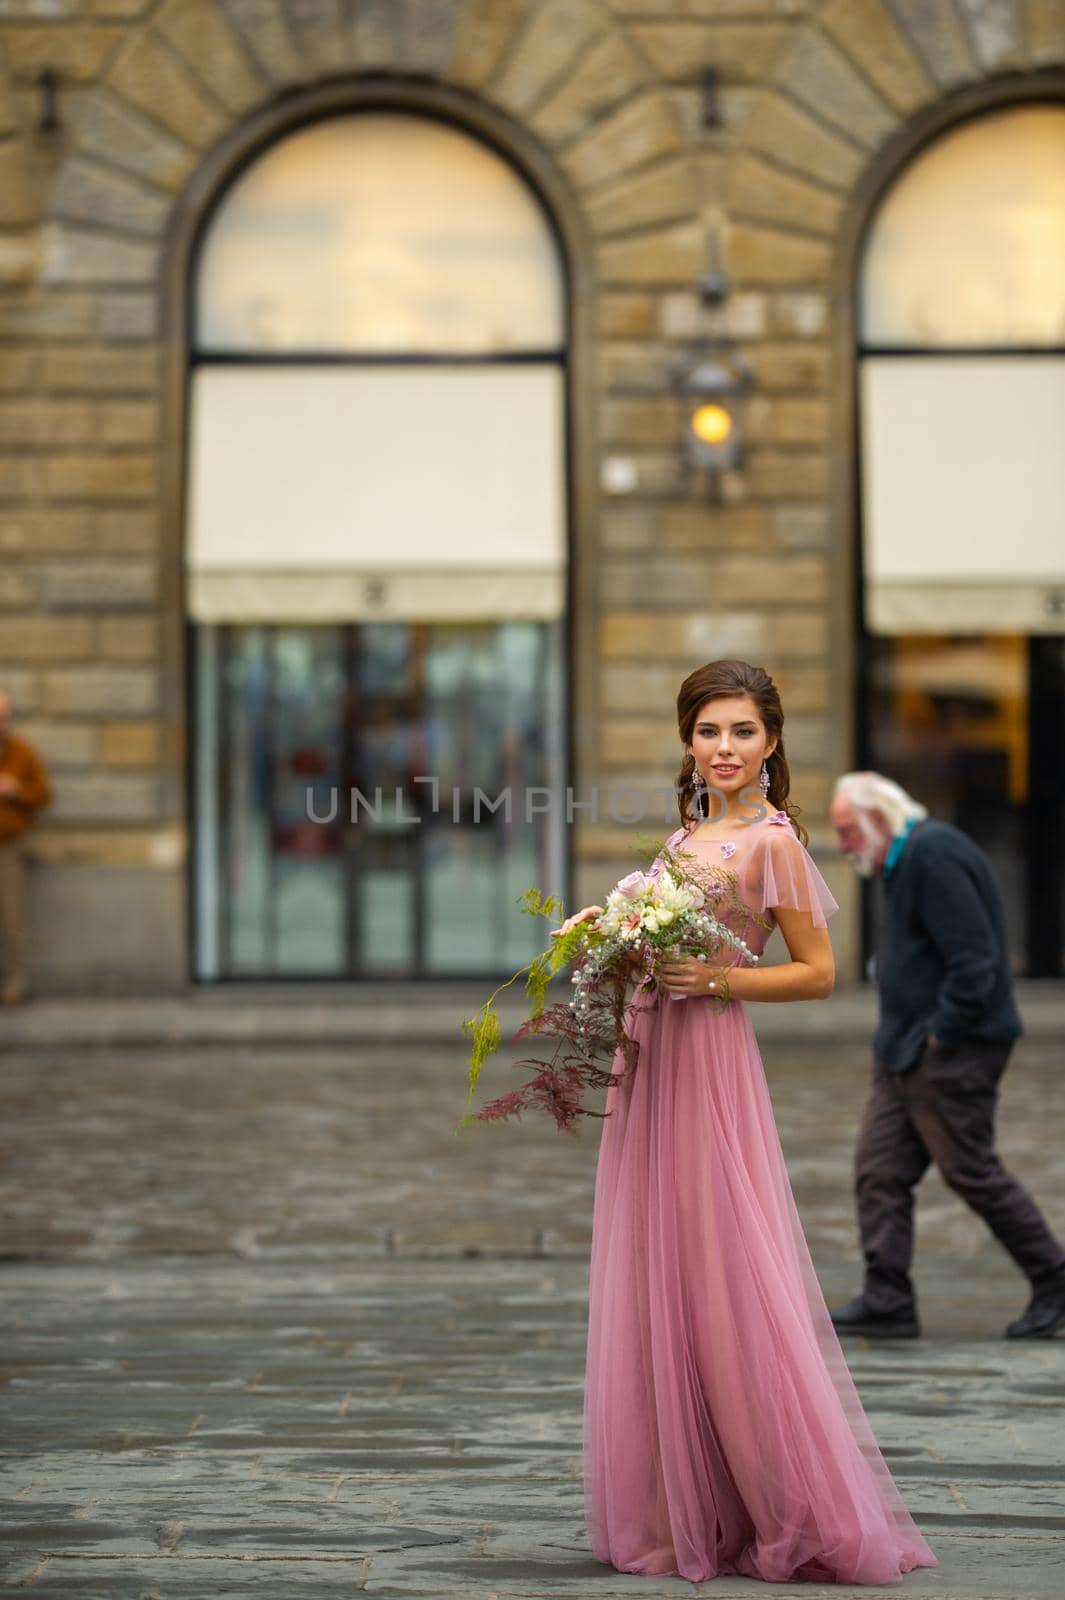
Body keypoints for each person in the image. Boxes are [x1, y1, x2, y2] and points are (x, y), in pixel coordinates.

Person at [552, 662, 937, 1585]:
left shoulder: (771, 842)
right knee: (662, 1270)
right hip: (651, 1056)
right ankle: (681, 1502)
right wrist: (607, 949)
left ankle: (777, 1505)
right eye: (708, 732)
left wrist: (713, 979)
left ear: (771, 744)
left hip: (710, 1060)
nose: (724, 749)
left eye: (742, 733)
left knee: (722, 1270)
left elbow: (816, 972)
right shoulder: (690, 834)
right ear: (687, 740)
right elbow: (664, 943)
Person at [828, 771, 1065, 1342]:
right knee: (879, 1170)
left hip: (952, 1050)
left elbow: (977, 960)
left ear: (880, 820)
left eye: (848, 831)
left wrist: (941, 1034)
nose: (843, 846)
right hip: (904, 1050)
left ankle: (1056, 1282)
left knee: (971, 1170)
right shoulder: (904, 861)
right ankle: (888, 1298)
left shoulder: (933, 855)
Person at [0, 689, 52, 1007]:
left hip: (9, 848)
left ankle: (16, 984)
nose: (1, 723)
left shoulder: (23, 753)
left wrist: (16, 790)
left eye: (5, 717)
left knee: (11, 918)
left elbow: (43, 795)